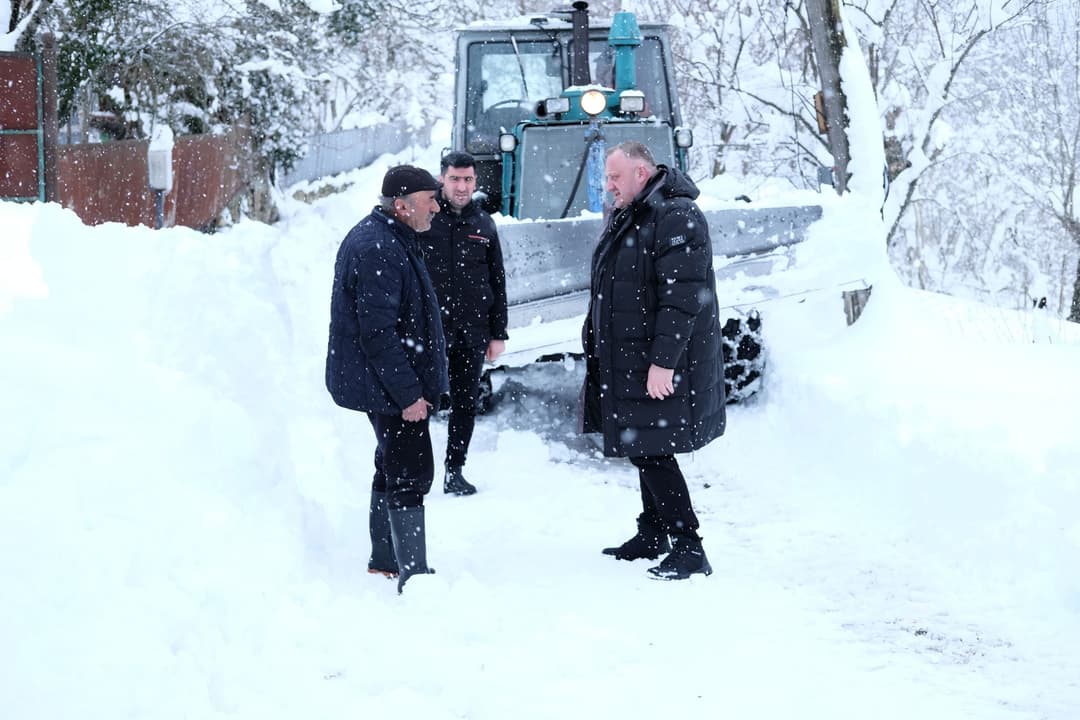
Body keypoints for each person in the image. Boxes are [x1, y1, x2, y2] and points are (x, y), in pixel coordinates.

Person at [580, 141, 726, 580]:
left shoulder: (676, 216)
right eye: (607, 178)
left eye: (615, 177)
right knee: (643, 443)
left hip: (658, 362)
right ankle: (653, 534)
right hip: (631, 356)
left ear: (641, 173)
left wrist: (663, 361)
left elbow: (682, 299)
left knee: (653, 452)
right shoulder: (637, 211)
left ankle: (689, 547)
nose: (609, 186)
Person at [325, 165, 448, 593]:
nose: (436, 205)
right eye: (429, 199)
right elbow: (377, 334)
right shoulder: (378, 247)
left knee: (391, 463)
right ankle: (413, 574)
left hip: (381, 381)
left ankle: (386, 558)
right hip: (387, 385)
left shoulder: (390, 236)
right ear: (401, 205)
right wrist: (410, 394)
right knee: (411, 472)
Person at [419, 151, 509, 496]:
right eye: (455, 178)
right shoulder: (427, 217)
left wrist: (498, 332)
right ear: (442, 178)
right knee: (423, 402)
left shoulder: (483, 223)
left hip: (471, 331)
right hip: (429, 331)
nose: (462, 186)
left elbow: (497, 281)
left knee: (465, 403)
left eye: (468, 179)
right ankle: (419, 469)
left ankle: (454, 469)